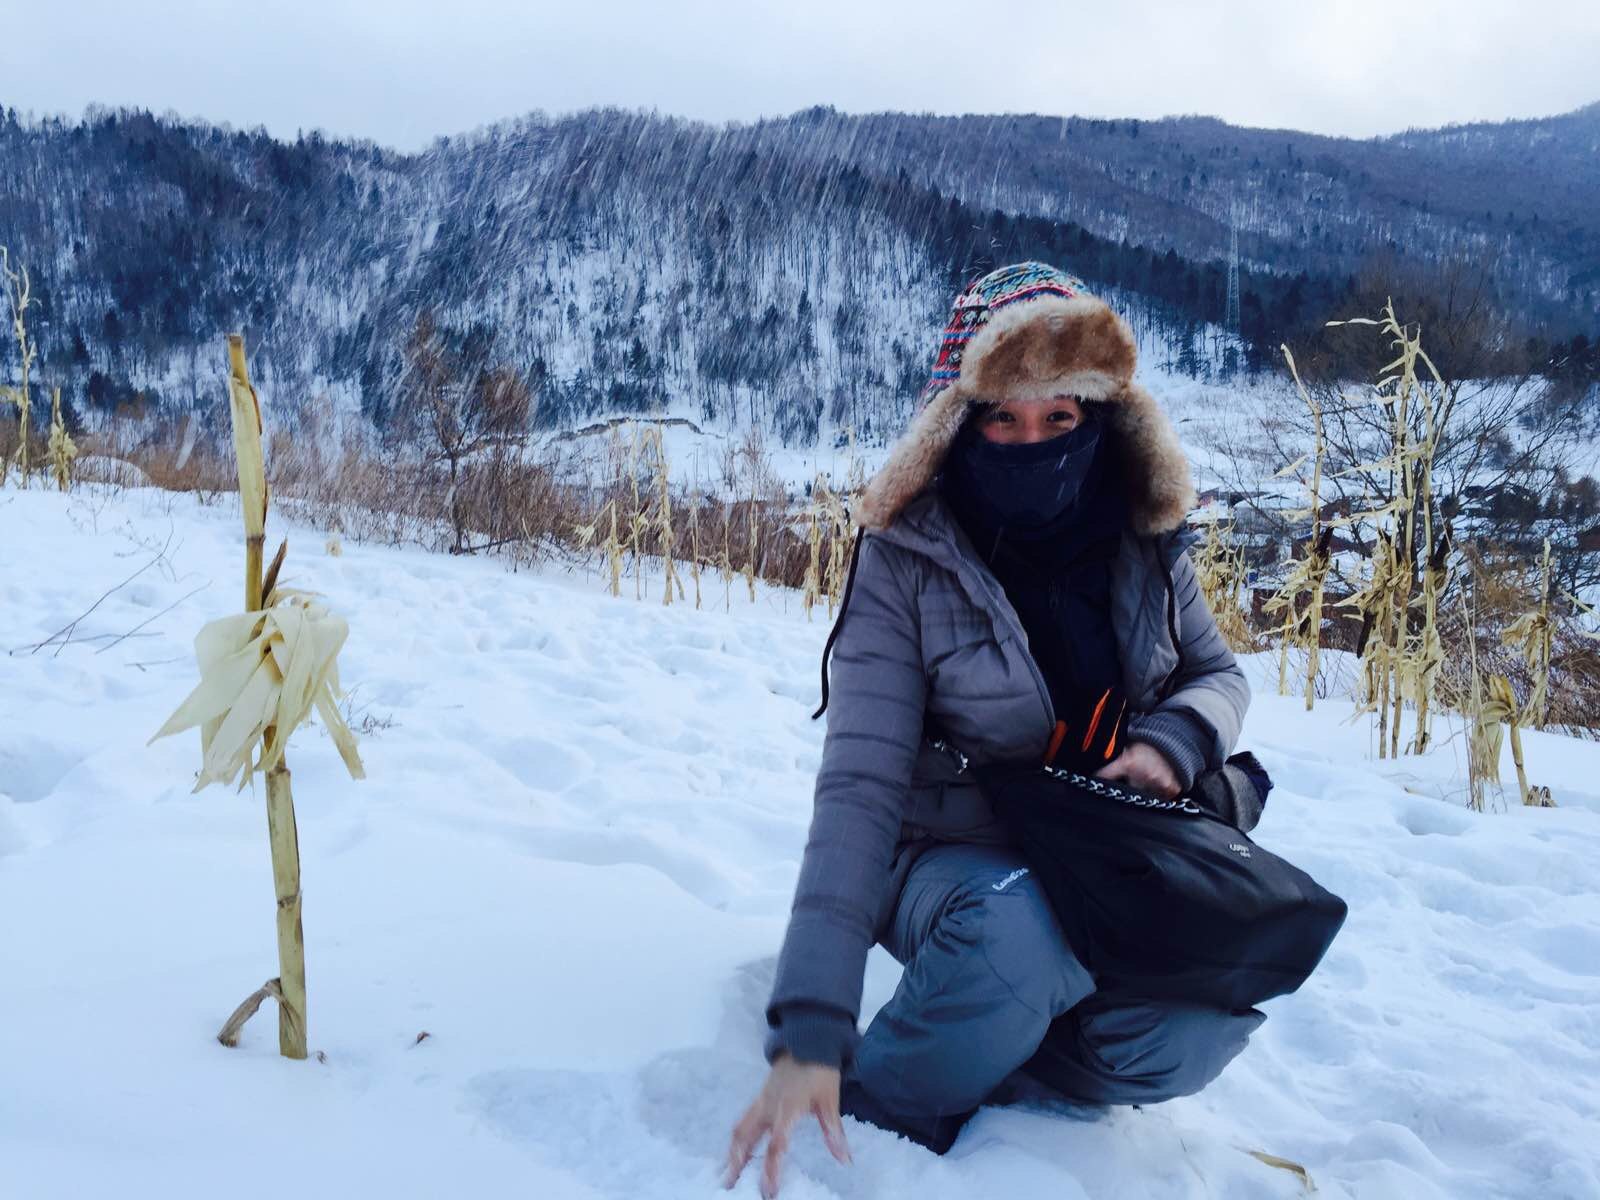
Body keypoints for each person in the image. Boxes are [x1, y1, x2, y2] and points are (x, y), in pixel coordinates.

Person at [724, 262, 1264, 1197]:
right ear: (958, 423)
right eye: (1003, 417)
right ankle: (875, 1122)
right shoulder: (908, 557)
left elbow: (1216, 675)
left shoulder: (1142, 537)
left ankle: (1007, 1048)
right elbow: (859, 787)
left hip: (1095, 849)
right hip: (945, 857)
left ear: (1100, 417)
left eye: (1060, 418)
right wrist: (812, 1022)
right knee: (1018, 930)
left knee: (1193, 1030)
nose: (1033, 440)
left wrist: (1172, 745)